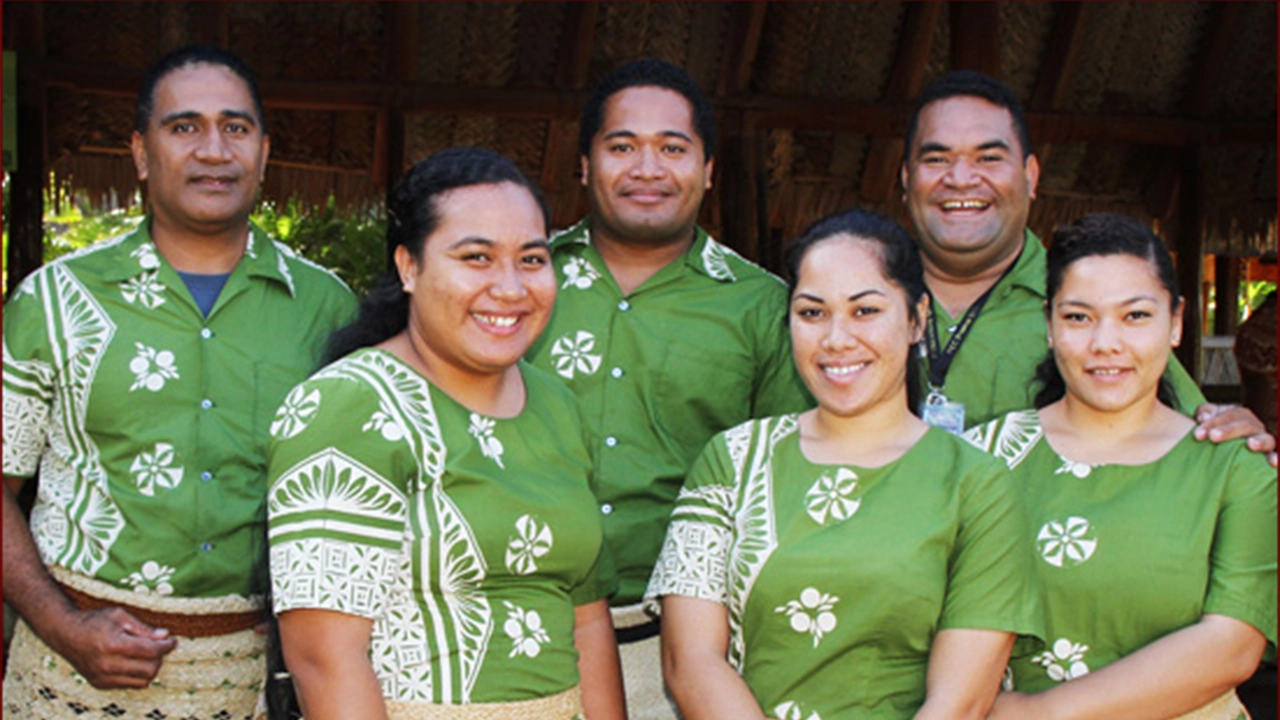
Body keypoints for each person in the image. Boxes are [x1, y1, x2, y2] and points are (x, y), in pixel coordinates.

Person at [1, 45, 355, 718]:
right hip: (67, 673)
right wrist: (58, 624)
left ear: (264, 150)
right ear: (140, 152)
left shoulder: (326, 309)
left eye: (236, 127)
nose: (214, 149)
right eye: (184, 126)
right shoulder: (52, 303)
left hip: (258, 678)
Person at [266, 147, 625, 720]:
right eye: (476, 257)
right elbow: (323, 660)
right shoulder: (348, 406)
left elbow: (586, 616)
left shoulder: (557, 405)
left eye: (532, 260)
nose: (510, 288)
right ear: (409, 267)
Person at [647, 209, 1042, 720]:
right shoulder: (733, 459)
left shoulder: (976, 481)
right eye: (812, 313)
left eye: (865, 311)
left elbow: (960, 700)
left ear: (917, 319)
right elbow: (691, 661)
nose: (836, 339)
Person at [524, 58, 811, 718]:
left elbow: (790, 490)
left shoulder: (764, 308)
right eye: (622, 146)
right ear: (584, 165)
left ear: (709, 169)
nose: (647, 169)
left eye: (673, 148)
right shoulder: (521, 282)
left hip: (680, 657)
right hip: (516, 640)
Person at [967, 213, 1276, 720]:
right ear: (1048, 325)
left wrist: (1033, 714)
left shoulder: (1236, 468)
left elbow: (1233, 646)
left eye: (1135, 316)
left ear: (1175, 322)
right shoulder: (984, 458)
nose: (1106, 343)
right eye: (1078, 317)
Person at [899, 70, 1274, 457]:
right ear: (907, 178)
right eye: (938, 158)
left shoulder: (1091, 301)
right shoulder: (860, 301)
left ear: (1030, 176)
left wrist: (1233, 438)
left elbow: (1198, 435)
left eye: (989, 157)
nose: (961, 178)